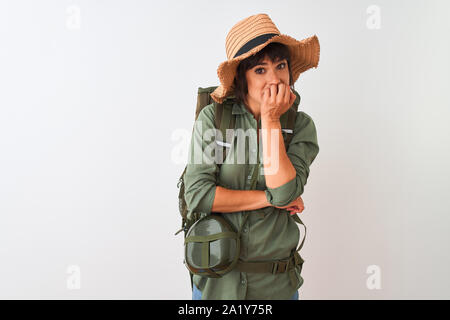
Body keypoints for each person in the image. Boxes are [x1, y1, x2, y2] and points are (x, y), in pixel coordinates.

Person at [183, 13, 320, 300]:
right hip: (216, 285)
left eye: (280, 66)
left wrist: (271, 120)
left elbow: (284, 192)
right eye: (260, 70)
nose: (274, 79)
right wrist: (267, 199)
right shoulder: (213, 119)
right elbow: (198, 195)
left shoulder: (302, 126)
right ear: (242, 79)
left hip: (276, 286)